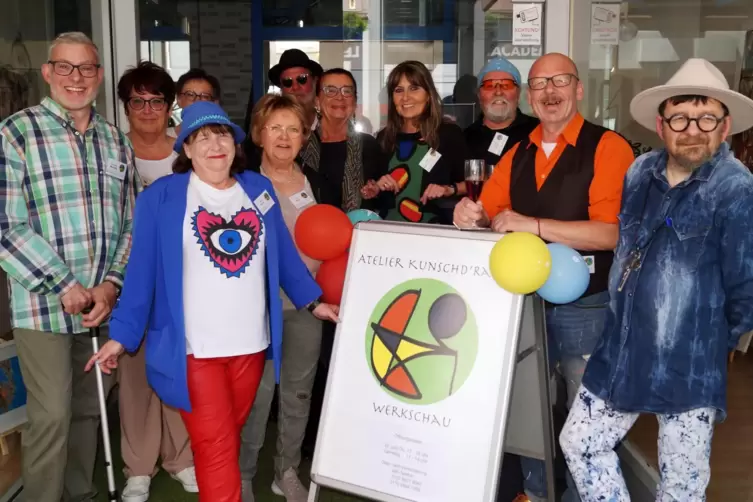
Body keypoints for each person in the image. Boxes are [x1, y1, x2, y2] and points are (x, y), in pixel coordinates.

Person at [86, 101, 340, 502]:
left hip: (250, 346)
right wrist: (121, 335)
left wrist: (313, 302)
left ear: (234, 142)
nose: (213, 145)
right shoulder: (161, 199)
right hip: (195, 351)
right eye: (200, 137)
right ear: (185, 148)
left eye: (220, 134)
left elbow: (283, 255)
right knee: (217, 446)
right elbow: (141, 272)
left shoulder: (257, 189)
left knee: (223, 438)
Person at [560, 58, 753, 501]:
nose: (693, 128)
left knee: (681, 488)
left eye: (707, 117)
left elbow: (747, 286)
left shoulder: (735, 187)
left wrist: (715, 343)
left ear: (725, 127)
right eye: (680, 116)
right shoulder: (639, 172)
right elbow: (628, 248)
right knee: (581, 443)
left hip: (690, 363)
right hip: (622, 347)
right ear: (661, 124)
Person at [453, 52, 635, 502]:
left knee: (584, 421)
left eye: (559, 81)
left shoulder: (609, 147)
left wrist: (531, 225)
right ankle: (534, 492)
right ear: (530, 97)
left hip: (588, 305)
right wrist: (469, 216)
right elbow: (492, 217)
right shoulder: (519, 151)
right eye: (539, 84)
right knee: (528, 410)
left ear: (578, 89)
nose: (549, 92)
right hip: (525, 304)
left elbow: (611, 233)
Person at [0, 32, 139, 502]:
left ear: (99, 76)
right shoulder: (15, 133)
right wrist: (64, 285)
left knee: (88, 411)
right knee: (52, 415)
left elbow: (130, 224)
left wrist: (111, 285)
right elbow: (5, 225)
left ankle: (79, 494)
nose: (75, 78)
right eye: (65, 67)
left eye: (86, 68)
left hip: (97, 305)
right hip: (43, 306)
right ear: (47, 72)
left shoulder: (116, 142)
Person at [115, 60, 197, 501]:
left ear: (170, 106)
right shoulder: (112, 150)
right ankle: (138, 468)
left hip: (182, 281)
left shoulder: (185, 153)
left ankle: (182, 458)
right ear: (126, 106)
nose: (147, 109)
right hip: (127, 281)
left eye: (157, 100)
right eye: (138, 101)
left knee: (177, 370)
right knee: (134, 376)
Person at [371, 60, 468, 225]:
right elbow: (374, 191)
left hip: (434, 234)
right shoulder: (384, 138)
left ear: (429, 94)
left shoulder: (448, 134)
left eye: (414, 88)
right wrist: (376, 187)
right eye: (398, 90)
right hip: (389, 232)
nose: (406, 97)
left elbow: (475, 183)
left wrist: (448, 189)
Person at [464, 58, 540, 167]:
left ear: (518, 93)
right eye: (489, 85)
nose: (498, 92)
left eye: (506, 85)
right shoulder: (464, 139)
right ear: (479, 95)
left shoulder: (538, 132)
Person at [174, 68, 221, 135]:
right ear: (179, 100)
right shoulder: (162, 138)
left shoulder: (223, 139)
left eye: (205, 96)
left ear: (215, 103)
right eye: (190, 95)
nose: (197, 101)